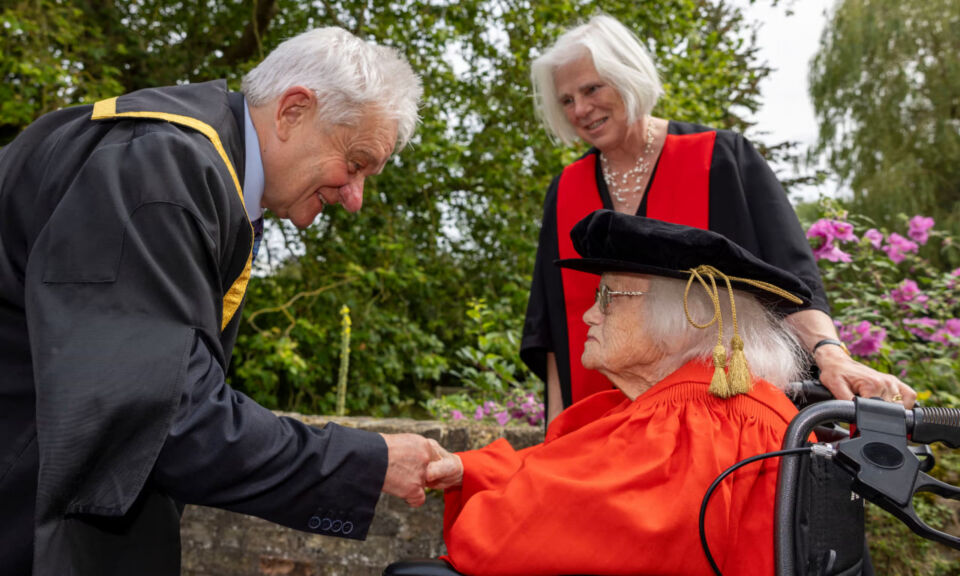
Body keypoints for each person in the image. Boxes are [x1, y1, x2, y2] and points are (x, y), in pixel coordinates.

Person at [0, 27, 435, 575]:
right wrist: (366, 463)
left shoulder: (200, 166)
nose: (355, 199)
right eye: (354, 163)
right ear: (293, 111)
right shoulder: (159, 170)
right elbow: (160, 415)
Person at [520, 13, 915, 423]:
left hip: (715, 421)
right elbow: (552, 333)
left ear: (627, 76)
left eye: (591, 88)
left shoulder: (721, 159)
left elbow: (791, 281)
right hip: (598, 427)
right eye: (567, 100)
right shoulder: (565, 191)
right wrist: (556, 434)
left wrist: (830, 354)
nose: (581, 109)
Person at [427, 210, 818, 575]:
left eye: (608, 298)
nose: (589, 315)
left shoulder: (690, 420)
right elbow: (561, 468)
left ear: (683, 319)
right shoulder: (714, 407)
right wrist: (467, 469)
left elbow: (512, 539)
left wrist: (483, 511)